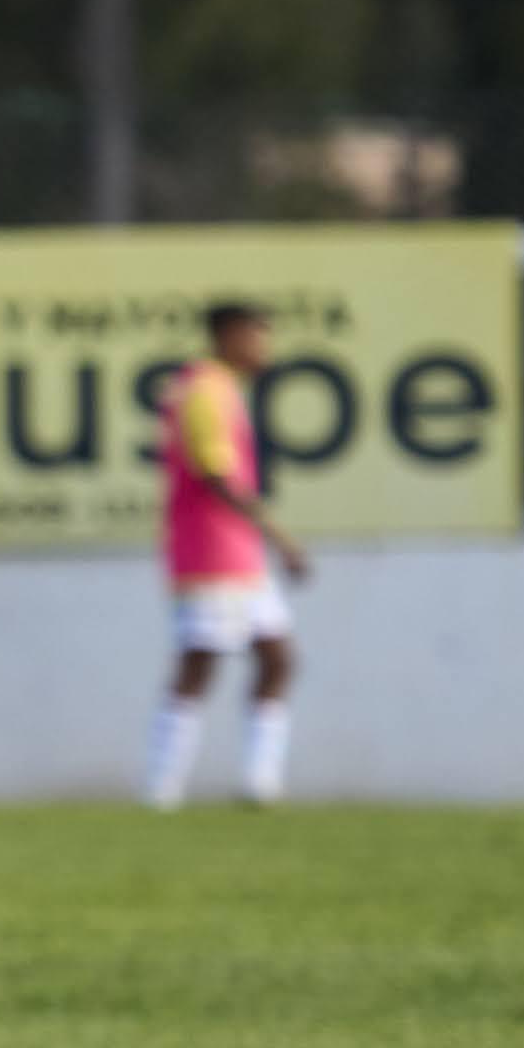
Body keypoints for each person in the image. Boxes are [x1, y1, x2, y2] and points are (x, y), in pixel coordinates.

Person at [145, 297, 309, 810]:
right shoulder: (205, 390)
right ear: (230, 334)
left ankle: (260, 783)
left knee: (277, 657)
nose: (265, 348)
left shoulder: (219, 389)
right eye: (258, 335)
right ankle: (162, 788)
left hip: (238, 554)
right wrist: (279, 536)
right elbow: (215, 474)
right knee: (201, 661)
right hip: (212, 551)